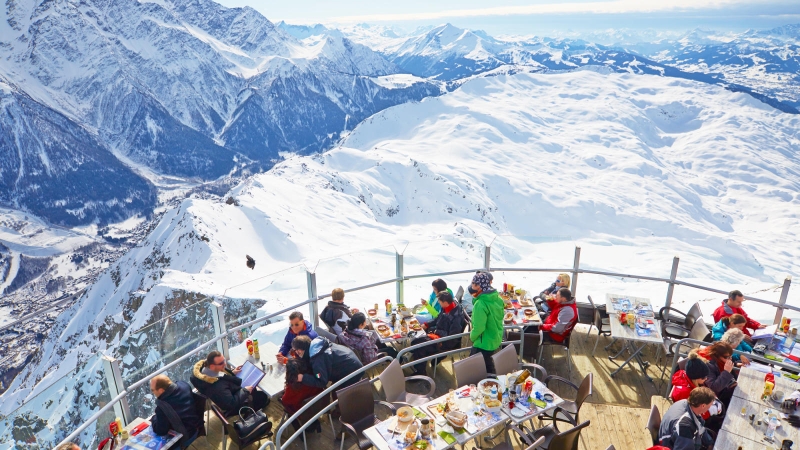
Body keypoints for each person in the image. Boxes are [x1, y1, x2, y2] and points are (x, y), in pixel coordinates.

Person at [190, 350, 270, 416]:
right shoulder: (217, 387)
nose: (224, 364)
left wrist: (232, 373)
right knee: (262, 397)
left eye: (224, 360)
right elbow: (231, 403)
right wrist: (245, 391)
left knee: (257, 392)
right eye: (221, 363)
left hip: (227, 394)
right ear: (212, 366)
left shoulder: (205, 372)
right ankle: (249, 414)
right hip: (233, 404)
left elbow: (221, 376)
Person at [412, 291, 466, 375]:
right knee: (415, 341)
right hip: (436, 334)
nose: (439, 303)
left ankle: (421, 372)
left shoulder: (456, 317)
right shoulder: (447, 308)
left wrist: (437, 332)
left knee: (419, 346)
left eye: (439, 302)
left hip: (444, 342)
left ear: (445, 302)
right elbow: (438, 319)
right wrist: (426, 324)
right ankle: (419, 362)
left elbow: (453, 336)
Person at [291, 335, 364, 389]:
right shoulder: (318, 345)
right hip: (351, 360)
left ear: (299, 351)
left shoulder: (317, 360)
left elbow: (321, 381)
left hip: (352, 371)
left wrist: (303, 378)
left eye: (295, 351)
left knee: (337, 393)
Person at [149, 374, 202, 445]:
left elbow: (161, 431)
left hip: (187, 437)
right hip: (197, 426)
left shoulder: (162, 408)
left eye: (153, 390)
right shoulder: (184, 385)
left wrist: (154, 418)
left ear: (161, 390)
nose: (153, 393)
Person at [468, 271, 504, 374]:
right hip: (495, 338)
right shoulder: (497, 298)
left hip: (483, 343)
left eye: (474, 284)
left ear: (480, 286)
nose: (472, 286)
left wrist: (472, 337)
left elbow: (479, 327)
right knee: (489, 365)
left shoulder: (480, 304)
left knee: (473, 369)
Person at [282, 358, 327, 435]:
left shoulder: (293, 388)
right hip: (319, 408)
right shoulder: (314, 378)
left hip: (302, 412)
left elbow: (285, 401)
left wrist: (284, 392)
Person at [698, 342, 737, 407]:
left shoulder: (720, 361)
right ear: (717, 355)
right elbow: (714, 388)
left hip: (722, 389)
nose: (730, 359)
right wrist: (726, 372)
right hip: (712, 396)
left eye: (730, 356)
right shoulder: (708, 365)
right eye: (726, 357)